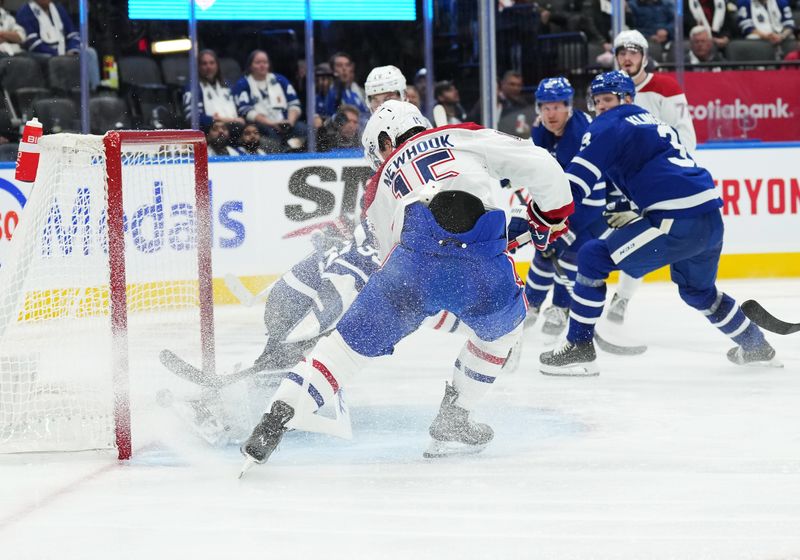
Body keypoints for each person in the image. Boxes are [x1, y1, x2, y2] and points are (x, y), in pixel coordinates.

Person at [240, 100, 573, 467]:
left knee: (342, 352)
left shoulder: (378, 187)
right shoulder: (460, 135)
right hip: (480, 264)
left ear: (386, 140)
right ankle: (455, 417)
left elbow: (391, 250)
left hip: (410, 266)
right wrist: (549, 216)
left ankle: (274, 419)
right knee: (503, 333)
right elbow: (541, 164)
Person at [539, 71, 779, 375]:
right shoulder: (655, 122)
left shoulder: (607, 125)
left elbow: (576, 183)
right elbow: (649, 168)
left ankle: (578, 347)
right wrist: (629, 204)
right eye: (598, 102)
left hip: (676, 220)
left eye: (608, 100)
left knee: (592, 256)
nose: (602, 108)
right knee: (698, 291)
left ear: (626, 99)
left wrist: (543, 216)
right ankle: (756, 346)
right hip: (709, 219)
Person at [610, 29, 697, 325]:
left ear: (645, 57)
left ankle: (621, 298)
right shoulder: (608, 89)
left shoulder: (665, 87)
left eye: (633, 52)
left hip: (660, 181)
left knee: (649, 240)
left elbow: (686, 135)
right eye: (622, 52)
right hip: (620, 180)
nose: (627, 58)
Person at [523, 77, 608, 339]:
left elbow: (581, 186)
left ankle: (561, 307)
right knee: (544, 249)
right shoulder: (540, 131)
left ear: (569, 106)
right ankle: (532, 304)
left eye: (556, 107)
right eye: (545, 107)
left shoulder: (579, 133)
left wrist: (561, 223)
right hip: (563, 201)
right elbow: (540, 170)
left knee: (570, 252)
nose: (551, 114)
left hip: (592, 207)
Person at [232, 49, 305, 152]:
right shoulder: (243, 84)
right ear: (250, 66)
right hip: (263, 125)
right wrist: (272, 123)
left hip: (286, 122)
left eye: (265, 62)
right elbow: (245, 111)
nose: (262, 65)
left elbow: (294, 104)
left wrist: (290, 122)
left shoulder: (280, 80)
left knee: (303, 128)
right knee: (270, 133)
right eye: (258, 63)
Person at [16, 0, 100, 89]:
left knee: (90, 53)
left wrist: (72, 50)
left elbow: (73, 34)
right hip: (46, 56)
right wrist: (58, 55)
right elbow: (33, 44)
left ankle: (95, 91)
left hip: (66, 52)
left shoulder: (58, 8)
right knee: (58, 61)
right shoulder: (25, 12)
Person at [183, 49, 245, 134]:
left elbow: (241, 110)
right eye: (204, 63)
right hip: (212, 132)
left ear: (217, 65)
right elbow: (192, 118)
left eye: (212, 63)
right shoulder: (193, 87)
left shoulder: (228, 85)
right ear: (198, 67)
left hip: (234, 131)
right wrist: (216, 119)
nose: (208, 66)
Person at [324, 52, 369, 119]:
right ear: (332, 70)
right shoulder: (328, 93)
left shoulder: (354, 94)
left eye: (347, 65)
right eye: (339, 65)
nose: (344, 68)